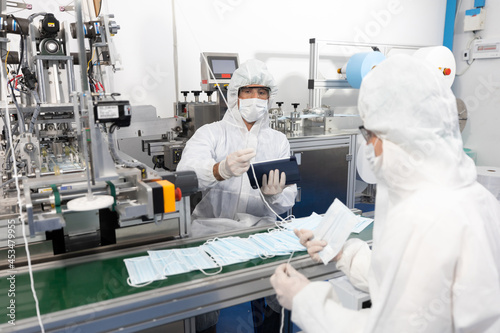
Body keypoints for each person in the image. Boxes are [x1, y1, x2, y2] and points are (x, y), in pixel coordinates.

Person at [270, 54, 500, 332]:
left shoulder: (424, 217)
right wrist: (345, 254)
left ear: (398, 136)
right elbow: (407, 283)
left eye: (369, 135)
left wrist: (305, 300)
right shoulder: (472, 196)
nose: (368, 146)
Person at [177, 59, 297, 332]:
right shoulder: (211, 133)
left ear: (269, 97)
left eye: (262, 92)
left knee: (274, 295)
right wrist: (219, 170)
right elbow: (186, 174)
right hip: (211, 230)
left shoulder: (277, 140)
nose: (255, 98)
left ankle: (266, 322)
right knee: (203, 302)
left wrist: (276, 195)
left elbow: (290, 194)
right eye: (248, 91)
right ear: (235, 95)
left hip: (262, 231)